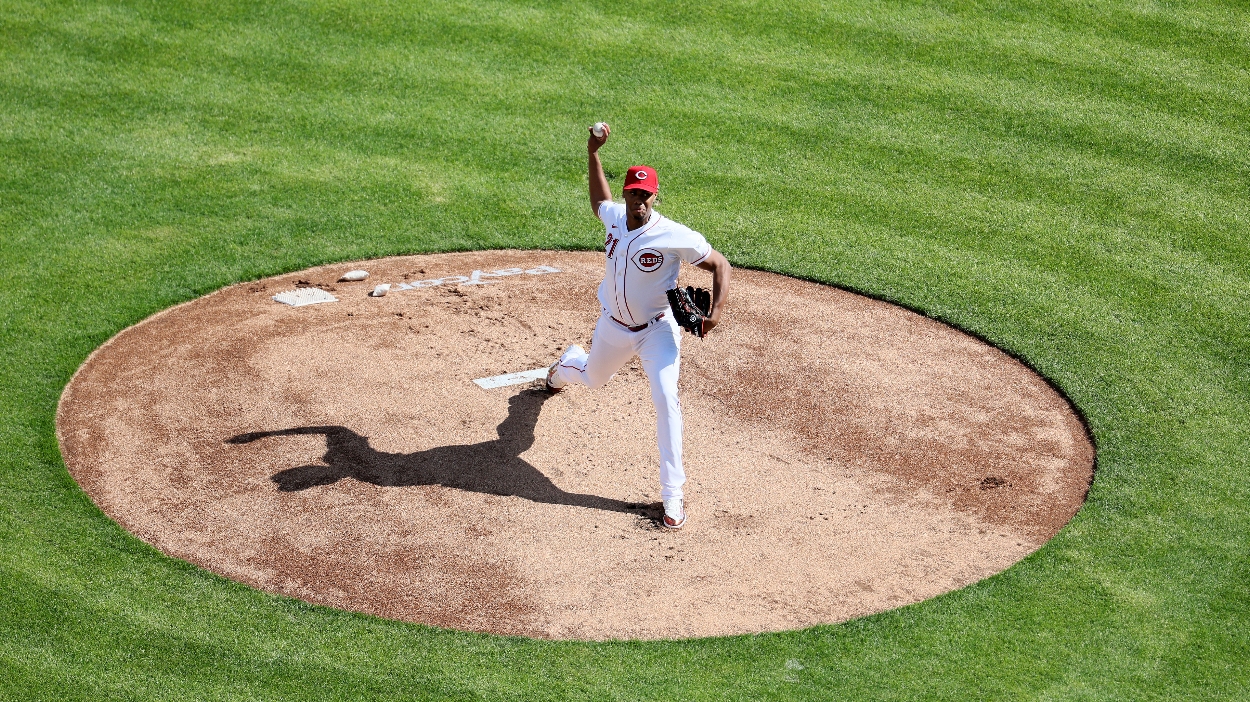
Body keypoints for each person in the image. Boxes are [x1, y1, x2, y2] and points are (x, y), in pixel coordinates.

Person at [545, 123, 731, 530]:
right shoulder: (615, 218)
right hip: (612, 327)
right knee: (592, 377)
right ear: (627, 193)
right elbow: (599, 202)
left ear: (654, 196)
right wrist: (593, 154)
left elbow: (720, 263)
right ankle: (566, 365)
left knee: (666, 398)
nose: (640, 200)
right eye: (634, 193)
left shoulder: (671, 234)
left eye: (647, 194)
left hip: (657, 331)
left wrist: (714, 314)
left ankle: (673, 497)